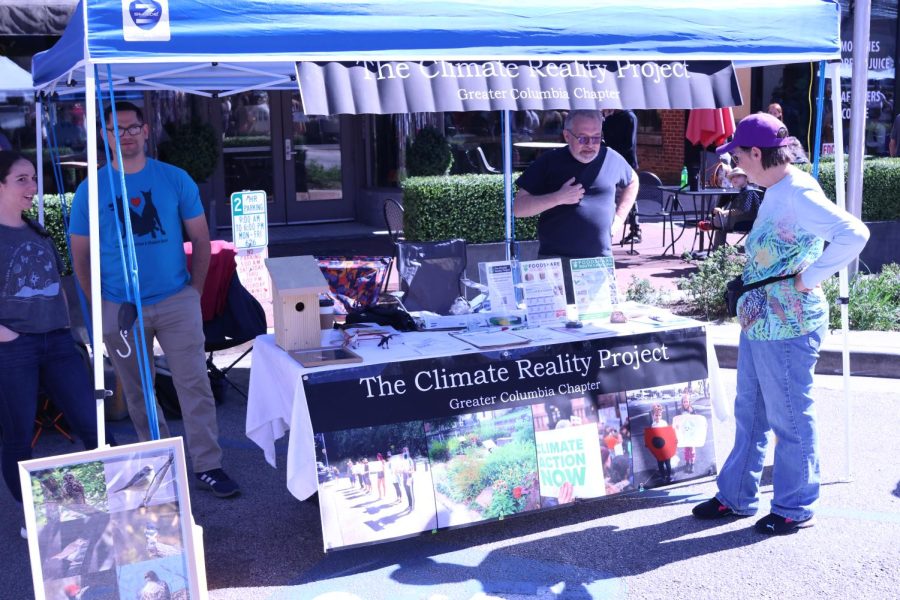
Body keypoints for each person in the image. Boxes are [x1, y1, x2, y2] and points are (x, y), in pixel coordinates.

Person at [692, 113, 869, 535]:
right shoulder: (777, 187)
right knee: (750, 410)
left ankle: (794, 505)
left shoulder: (798, 193)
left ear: (758, 152)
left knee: (789, 415)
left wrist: (809, 278)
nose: (735, 161)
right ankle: (736, 495)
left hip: (788, 323)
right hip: (764, 319)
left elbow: (855, 233)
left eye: (738, 154)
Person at [70, 102, 240, 498]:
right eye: (116, 128)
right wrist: (100, 305)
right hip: (120, 306)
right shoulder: (90, 190)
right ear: (104, 136)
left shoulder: (174, 179)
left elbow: (200, 239)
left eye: (132, 127)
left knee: (194, 384)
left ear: (146, 132)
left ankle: (208, 465)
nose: (125, 134)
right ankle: (160, 465)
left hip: (175, 299)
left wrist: (193, 291)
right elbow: (81, 255)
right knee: (138, 391)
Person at [0, 151, 100, 535]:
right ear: (1, 185)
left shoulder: (39, 231)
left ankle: (96, 504)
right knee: (19, 437)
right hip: (14, 349)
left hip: (58, 343)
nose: (33, 188)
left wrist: (66, 327)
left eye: (33, 179)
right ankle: (31, 515)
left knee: (93, 426)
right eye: (21, 179)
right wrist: (7, 336)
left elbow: (57, 284)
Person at [514, 110, 638, 303]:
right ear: (566, 135)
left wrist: (620, 219)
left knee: (601, 328)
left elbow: (633, 180)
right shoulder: (549, 162)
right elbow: (519, 208)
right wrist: (558, 197)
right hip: (554, 264)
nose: (590, 145)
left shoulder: (610, 158)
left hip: (597, 263)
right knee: (551, 329)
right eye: (582, 138)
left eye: (596, 138)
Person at [601, 109, 642, 244]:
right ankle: (607, 227)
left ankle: (635, 230)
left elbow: (628, 143)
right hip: (610, 161)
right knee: (610, 194)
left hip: (626, 162)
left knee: (628, 195)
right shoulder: (608, 119)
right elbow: (605, 139)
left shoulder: (629, 117)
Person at [709, 167, 763, 250]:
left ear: (746, 178)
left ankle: (717, 252)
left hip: (746, 222)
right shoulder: (735, 191)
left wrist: (723, 212)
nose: (734, 178)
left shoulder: (748, 191)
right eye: (733, 177)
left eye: (738, 176)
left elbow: (743, 210)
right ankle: (717, 250)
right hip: (741, 221)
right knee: (718, 221)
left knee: (719, 223)